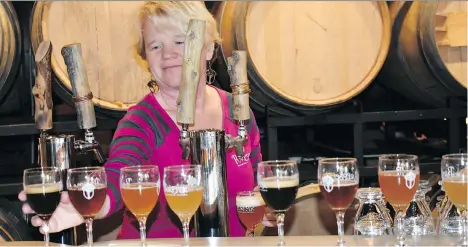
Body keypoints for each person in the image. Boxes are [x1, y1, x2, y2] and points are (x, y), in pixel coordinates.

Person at [18, 1, 266, 240]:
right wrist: (93, 204)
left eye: (181, 41)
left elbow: (256, 183)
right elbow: (119, 172)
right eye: (155, 46)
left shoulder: (238, 111)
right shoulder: (141, 121)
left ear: (209, 48)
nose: (168, 54)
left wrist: (267, 207)